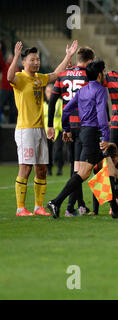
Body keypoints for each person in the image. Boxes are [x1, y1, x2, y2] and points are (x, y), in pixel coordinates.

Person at [8, 40, 78, 217]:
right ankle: (20, 208)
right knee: (25, 168)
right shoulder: (20, 78)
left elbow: (56, 74)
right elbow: (9, 78)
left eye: (37, 59)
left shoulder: (39, 78)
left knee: (42, 169)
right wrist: (16, 56)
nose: (36, 62)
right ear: (24, 63)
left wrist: (68, 56)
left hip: (39, 129)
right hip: (25, 129)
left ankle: (38, 206)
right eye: (32, 59)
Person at [47, 60, 110, 219]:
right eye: (103, 71)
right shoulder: (101, 90)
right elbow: (102, 115)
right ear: (99, 74)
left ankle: (111, 207)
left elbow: (66, 110)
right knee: (84, 173)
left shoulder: (82, 91)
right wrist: (106, 136)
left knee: (102, 168)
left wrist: (66, 129)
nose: (104, 74)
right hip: (93, 134)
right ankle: (57, 201)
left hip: (83, 132)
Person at [43, 84, 64, 176]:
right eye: (47, 92)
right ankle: (49, 169)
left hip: (58, 130)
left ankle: (59, 168)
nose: (49, 94)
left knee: (58, 150)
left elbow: (63, 116)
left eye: (51, 92)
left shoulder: (59, 102)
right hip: (46, 131)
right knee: (48, 151)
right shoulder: (43, 105)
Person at [0, 45, 18, 124]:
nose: (11, 59)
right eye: (10, 58)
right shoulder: (5, 66)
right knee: (1, 105)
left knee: (13, 108)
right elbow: (0, 60)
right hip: (4, 89)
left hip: (13, 90)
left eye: (12, 58)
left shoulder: (16, 68)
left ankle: (12, 123)